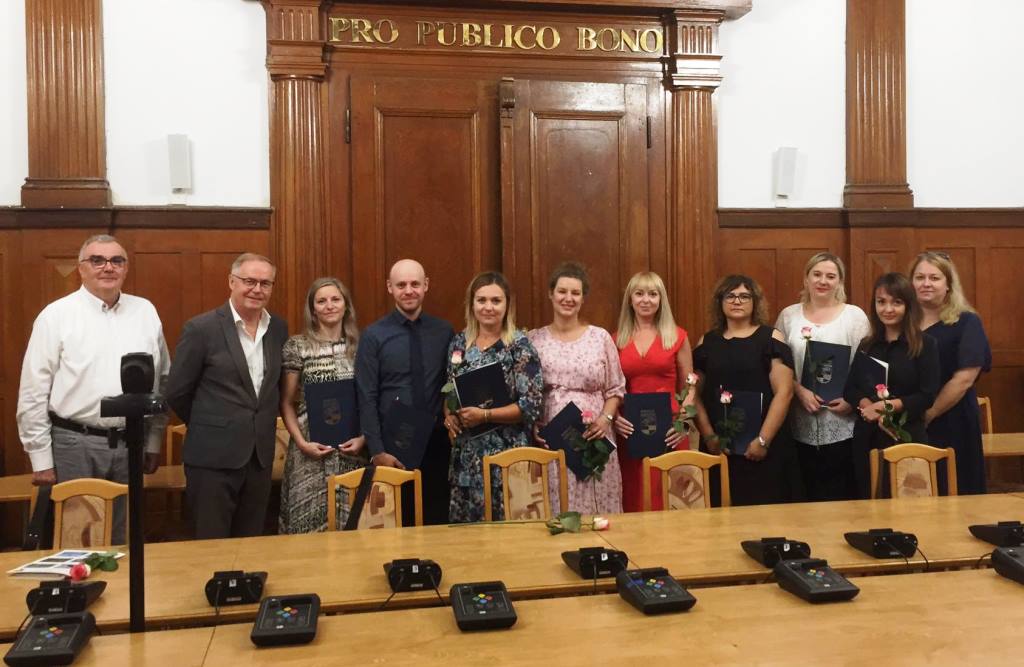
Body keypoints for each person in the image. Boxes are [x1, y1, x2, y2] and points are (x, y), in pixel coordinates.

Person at [16, 234, 169, 543]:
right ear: (81, 268)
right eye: (97, 260)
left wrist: (153, 440)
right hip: (75, 443)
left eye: (116, 261)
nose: (108, 267)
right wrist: (41, 459)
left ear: (126, 268)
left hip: (131, 442)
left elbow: (162, 380)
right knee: (79, 537)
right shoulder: (56, 316)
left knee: (125, 539)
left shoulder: (144, 311)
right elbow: (34, 389)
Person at [166, 253, 289, 539]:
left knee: (251, 542)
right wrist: (212, 423)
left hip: (259, 458)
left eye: (265, 283)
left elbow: (275, 388)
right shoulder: (201, 329)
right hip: (212, 458)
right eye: (249, 281)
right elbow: (177, 391)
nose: (257, 289)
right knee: (211, 544)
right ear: (231, 282)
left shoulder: (278, 329)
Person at [355, 259, 454, 525]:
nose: (408, 291)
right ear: (390, 287)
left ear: (426, 285)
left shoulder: (444, 332)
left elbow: (452, 383)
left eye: (414, 284)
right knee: (397, 525)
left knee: (437, 523)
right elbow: (366, 396)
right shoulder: (373, 336)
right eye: (401, 285)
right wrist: (377, 451)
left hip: (437, 443)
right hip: (393, 446)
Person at [443, 272, 544, 523]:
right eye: (482, 300)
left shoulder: (519, 346)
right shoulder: (459, 343)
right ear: (471, 304)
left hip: (508, 459)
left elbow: (531, 406)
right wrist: (449, 416)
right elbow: (450, 392)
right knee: (467, 539)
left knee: (509, 538)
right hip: (467, 462)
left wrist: (485, 415)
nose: (488, 307)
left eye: (496, 301)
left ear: (507, 304)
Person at [693, 275, 798, 506]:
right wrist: (709, 437)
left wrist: (763, 440)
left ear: (755, 301)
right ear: (720, 301)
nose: (737, 301)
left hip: (765, 448)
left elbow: (785, 392)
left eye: (744, 296)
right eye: (730, 296)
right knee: (721, 516)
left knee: (767, 516)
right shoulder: (707, 342)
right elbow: (694, 395)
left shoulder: (771, 338)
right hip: (721, 450)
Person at [529, 262, 625, 515]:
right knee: (559, 505)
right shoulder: (534, 340)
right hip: (553, 439)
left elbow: (615, 389)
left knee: (598, 505)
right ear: (551, 294)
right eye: (562, 291)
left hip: (594, 435)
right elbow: (526, 392)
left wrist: (605, 420)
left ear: (583, 298)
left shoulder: (600, 338)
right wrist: (533, 425)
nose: (568, 298)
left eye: (575, 293)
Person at [776, 253, 869, 502]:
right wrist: (798, 390)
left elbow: (865, 366)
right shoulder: (788, 316)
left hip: (844, 423)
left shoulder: (855, 316)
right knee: (803, 497)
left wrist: (852, 399)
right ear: (806, 279)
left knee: (842, 498)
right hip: (799, 421)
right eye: (817, 274)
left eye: (830, 276)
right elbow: (778, 365)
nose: (823, 281)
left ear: (840, 282)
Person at [279, 277, 367, 533]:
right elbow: (286, 402)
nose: (329, 306)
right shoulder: (298, 346)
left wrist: (364, 438)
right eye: (321, 301)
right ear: (313, 309)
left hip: (352, 451)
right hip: (310, 450)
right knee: (306, 529)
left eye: (335, 299)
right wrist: (301, 443)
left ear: (346, 306)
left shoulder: (362, 346)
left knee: (351, 528)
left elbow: (369, 400)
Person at [845, 273, 940, 499]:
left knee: (911, 506)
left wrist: (884, 408)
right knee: (869, 504)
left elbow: (927, 396)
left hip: (907, 436)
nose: (888, 309)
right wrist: (868, 406)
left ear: (908, 306)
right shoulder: (867, 344)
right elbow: (850, 389)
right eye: (881, 302)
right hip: (868, 438)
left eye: (896, 302)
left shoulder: (925, 344)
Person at [911, 251, 992, 495]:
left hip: (952, 419)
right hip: (908, 421)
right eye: (919, 277)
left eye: (934, 278)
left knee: (956, 492)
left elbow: (964, 378)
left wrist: (929, 413)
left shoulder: (966, 322)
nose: (926, 283)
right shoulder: (903, 322)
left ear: (948, 285)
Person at [612, 271, 693, 512]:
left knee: (670, 499)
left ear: (661, 299)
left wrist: (684, 423)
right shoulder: (616, 339)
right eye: (639, 293)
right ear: (630, 299)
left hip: (670, 431)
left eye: (652, 294)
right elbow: (611, 388)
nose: (646, 300)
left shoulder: (677, 336)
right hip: (631, 432)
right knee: (635, 499)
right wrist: (615, 418)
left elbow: (690, 386)